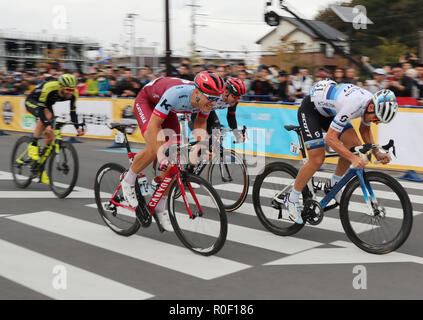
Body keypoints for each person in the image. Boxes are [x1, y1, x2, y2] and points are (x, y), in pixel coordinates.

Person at [121, 71, 225, 231]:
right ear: (197, 92)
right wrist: (161, 155)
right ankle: (128, 180)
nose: (213, 103)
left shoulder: (204, 101)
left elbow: (200, 124)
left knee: (174, 161)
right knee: (156, 146)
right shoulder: (176, 93)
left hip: (170, 111)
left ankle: (160, 207)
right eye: (210, 98)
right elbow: (153, 127)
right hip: (147, 101)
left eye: (216, 99)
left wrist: (201, 145)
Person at [284, 79, 398, 224]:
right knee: (317, 160)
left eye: (379, 121)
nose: (376, 122)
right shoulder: (354, 104)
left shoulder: (370, 102)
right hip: (310, 111)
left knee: (354, 145)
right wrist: (353, 159)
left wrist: (377, 153)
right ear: (370, 107)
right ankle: (292, 198)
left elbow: (364, 129)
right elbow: (330, 139)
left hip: (330, 112)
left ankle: (333, 184)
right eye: (376, 118)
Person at [25, 74, 85, 183]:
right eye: (67, 89)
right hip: (33, 101)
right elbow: (41, 108)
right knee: (46, 119)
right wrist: (47, 124)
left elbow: (73, 112)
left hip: (47, 104)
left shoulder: (73, 94)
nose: (70, 92)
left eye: (72, 89)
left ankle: (40, 168)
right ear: (60, 86)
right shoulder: (50, 87)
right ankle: (33, 144)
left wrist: (77, 128)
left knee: (50, 137)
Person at [188, 77, 247, 144]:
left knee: (217, 139)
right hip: (194, 111)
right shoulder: (214, 94)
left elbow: (231, 117)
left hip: (209, 111)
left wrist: (236, 133)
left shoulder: (233, 102)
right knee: (203, 140)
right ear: (226, 92)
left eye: (239, 97)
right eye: (235, 97)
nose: (237, 100)